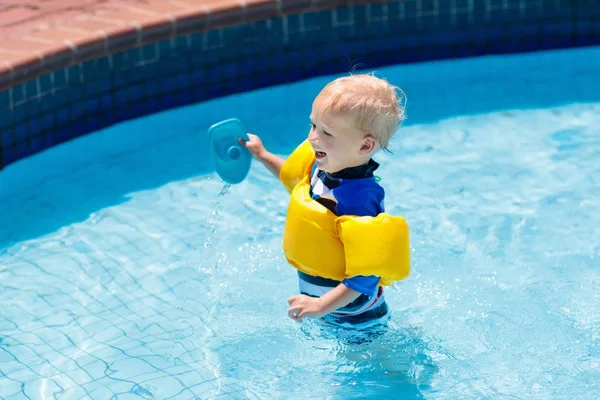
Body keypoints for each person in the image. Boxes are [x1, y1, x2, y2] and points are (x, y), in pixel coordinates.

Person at [239, 73, 411, 328]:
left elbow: (366, 276)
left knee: (376, 364)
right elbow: (295, 182)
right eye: (313, 125)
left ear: (365, 147)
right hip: (326, 306)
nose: (312, 138)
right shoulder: (325, 167)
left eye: (326, 133)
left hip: (356, 316)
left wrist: (321, 306)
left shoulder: (359, 202)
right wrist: (263, 155)